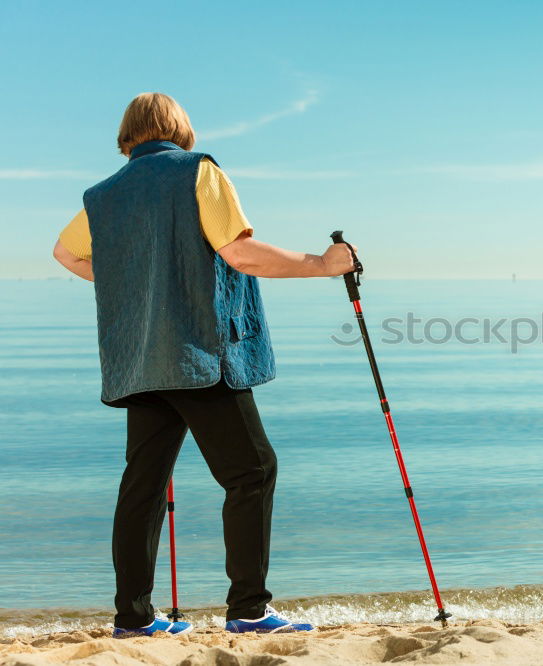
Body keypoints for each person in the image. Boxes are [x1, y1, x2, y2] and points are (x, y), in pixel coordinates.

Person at [52, 92, 357, 638]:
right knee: (252, 471)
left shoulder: (102, 195)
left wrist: (137, 286)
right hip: (197, 355)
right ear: (178, 128)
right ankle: (248, 610)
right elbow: (240, 254)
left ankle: (134, 620)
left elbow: (65, 253)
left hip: (139, 361)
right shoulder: (199, 172)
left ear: (129, 134)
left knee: (142, 486)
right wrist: (325, 264)